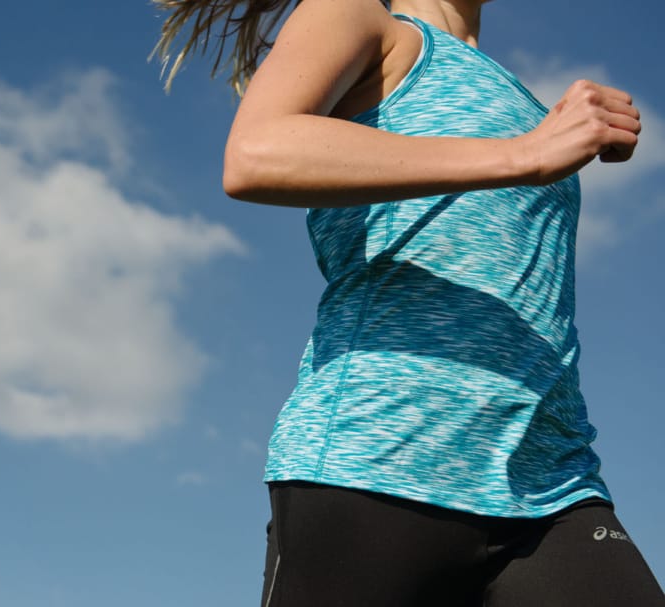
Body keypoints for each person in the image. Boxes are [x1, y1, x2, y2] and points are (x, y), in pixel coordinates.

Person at [149, 0, 665, 605]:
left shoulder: (525, 101)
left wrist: (549, 138)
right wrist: (528, 153)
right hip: (379, 461)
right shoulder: (364, 19)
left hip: (551, 481)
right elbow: (256, 152)